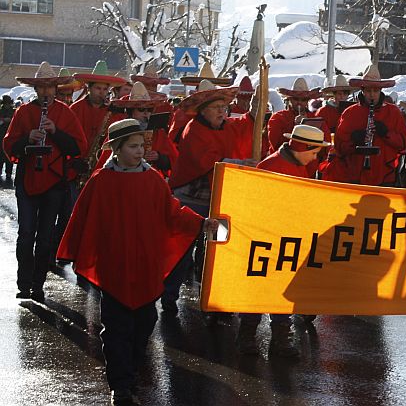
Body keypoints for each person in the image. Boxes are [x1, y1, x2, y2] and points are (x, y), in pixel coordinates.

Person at [56, 118, 215, 405]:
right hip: (113, 267)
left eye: (141, 145)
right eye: (132, 146)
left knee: (144, 323)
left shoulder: (153, 179)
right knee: (117, 329)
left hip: (145, 266)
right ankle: (120, 385)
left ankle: (130, 370)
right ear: (116, 149)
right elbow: (82, 218)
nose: (140, 151)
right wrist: (72, 250)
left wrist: (201, 223)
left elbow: (172, 212)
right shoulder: (101, 181)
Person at [234, 125, 334, 357]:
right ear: (303, 147)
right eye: (314, 152)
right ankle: (247, 337)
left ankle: (280, 340)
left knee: (283, 291)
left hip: (288, 239)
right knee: (259, 290)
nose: (315, 157)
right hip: (265, 241)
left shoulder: (298, 166)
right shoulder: (270, 167)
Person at [165, 80, 252, 316]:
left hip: (219, 199)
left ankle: (216, 297)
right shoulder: (193, 130)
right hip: (192, 199)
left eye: (224, 108)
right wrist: (242, 164)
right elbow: (209, 162)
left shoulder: (225, 126)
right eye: (217, 108)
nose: (222, 112)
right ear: (203, 110)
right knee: (184, 248)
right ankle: (169, 296)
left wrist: (255, 112)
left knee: (218, 247)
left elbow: (243, 126)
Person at [3, 62, 87, 300]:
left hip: (55, 183)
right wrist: (28, 138)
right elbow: (9, 146)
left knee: (45, 237)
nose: (46, 92)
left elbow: (77, 148)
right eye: (41, 87)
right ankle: (23, 283)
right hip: (27, 180)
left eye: (50, 87)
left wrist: (55, 131)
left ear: (55, 88)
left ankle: (38, 284)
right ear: (36, 89)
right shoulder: (24, 112)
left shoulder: (65, 112)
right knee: (26, 233)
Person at [334, 65, 406, 186]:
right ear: (362, 90)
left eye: (375, 91)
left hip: (385, 175)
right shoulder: (350, 113)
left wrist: (386, 134)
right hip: (356, 175)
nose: (372, 95)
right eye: (368, 91)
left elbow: (404, 143)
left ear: (381, 90)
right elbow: (339, 147)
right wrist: (354, 139)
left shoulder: (393, 112)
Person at [96, 82, 178, 177]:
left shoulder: (158, 132)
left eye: (149, 110)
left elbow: (174, 160)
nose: (146, 113)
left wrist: (159, 157)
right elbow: (106, 163)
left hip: (148, 178)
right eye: (141, 109)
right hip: (121, 177)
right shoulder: (120, 130)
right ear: (131, 111)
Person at [268, 77, 327, 175]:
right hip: (283, 169)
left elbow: (325, 147)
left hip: (309, 172)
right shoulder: (278, 118)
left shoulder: (316, 120)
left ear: (307, 101)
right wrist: (295, 129)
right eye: (296, 99)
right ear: (289, 99)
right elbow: (276, 145)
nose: (299, 102)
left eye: (303, 100)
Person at [71, 61, 127, 144]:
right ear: (89, 88)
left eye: (105, 89)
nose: (102, 93)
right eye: (98, 88)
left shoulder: (113, 111)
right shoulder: (75, 108)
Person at [0, 95, 16, 181]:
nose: (7, 105)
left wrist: (10, 120)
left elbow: (17, 122)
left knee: (9, 155)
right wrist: (3, 120)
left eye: (8, 103)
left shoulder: (14, 111)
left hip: (10, 136)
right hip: (1, 135)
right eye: (6, 103)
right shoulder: (0, 111)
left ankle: (9, 173)